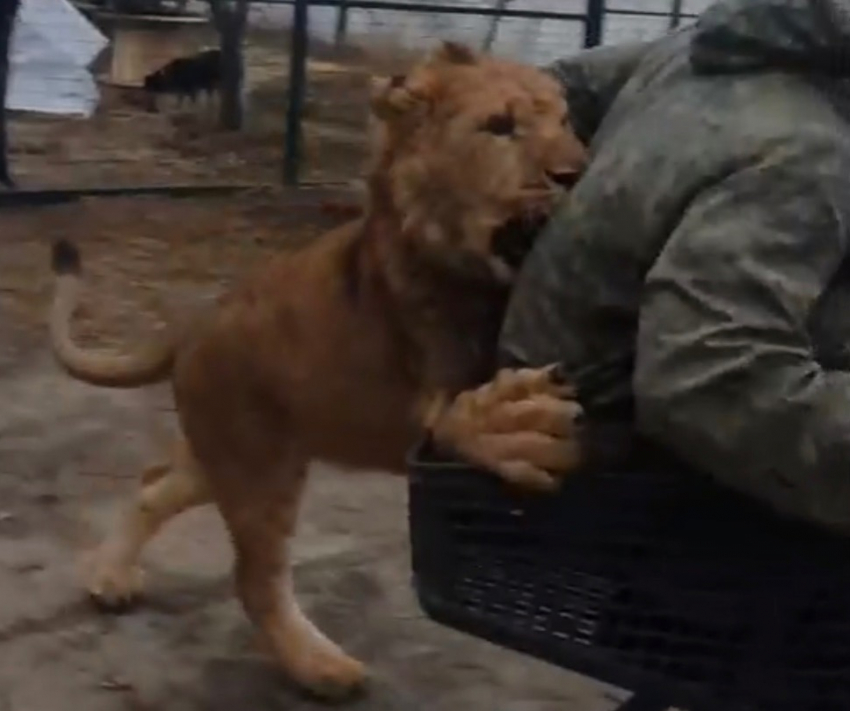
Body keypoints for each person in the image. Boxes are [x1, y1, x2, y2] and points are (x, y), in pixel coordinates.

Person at [434, 0, 850, 533]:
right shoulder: (806, 155)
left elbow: (549, 89)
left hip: (561, 398)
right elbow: (708, 384)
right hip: (628, 501)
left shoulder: (713, 47)